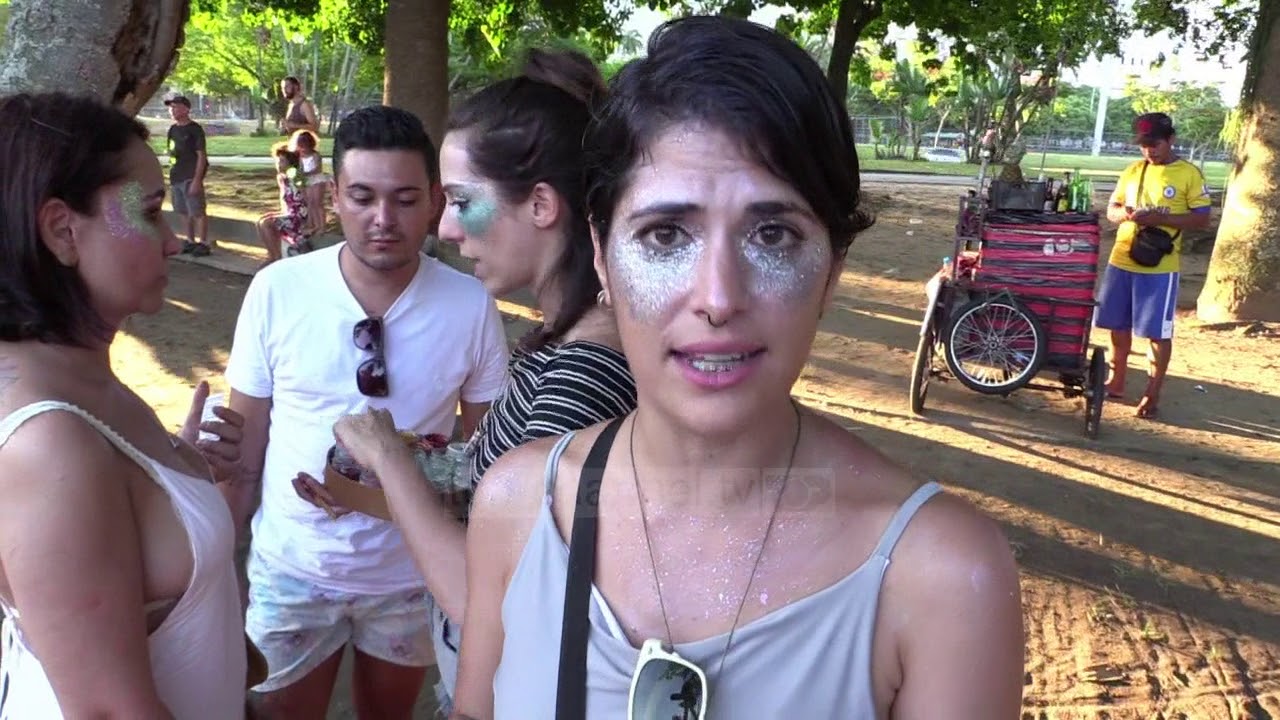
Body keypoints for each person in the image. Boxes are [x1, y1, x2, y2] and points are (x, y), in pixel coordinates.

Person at [452, 17, 1024, 719]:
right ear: (601, 254)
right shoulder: (517, 505)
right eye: (665, 235)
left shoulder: (942, 576)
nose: (719, 298)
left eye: (773, 235)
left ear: (832, 270)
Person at [296, 49, 638, 715]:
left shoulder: (586, 374)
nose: (445, 227)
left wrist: (391, 459)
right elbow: (497, 506)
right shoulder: (563, 339)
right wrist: (379, 478)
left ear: (541, 204)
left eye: (461, 202)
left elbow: (494, 597)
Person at [225, 104, 510, 719]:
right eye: (362, 197)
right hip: (292, 568)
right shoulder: (277, 290)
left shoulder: (470, 304)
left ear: (434, 202)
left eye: (405, 200)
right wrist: (221, 569)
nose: (383, 219)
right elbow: (245, 453)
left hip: (410, 576)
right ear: (333, 196)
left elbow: (487, 464)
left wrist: (371, 494)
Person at [0, 92, 250, 717]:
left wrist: (176, 477)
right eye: (150, 212)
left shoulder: (82, 379)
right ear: (62, 230)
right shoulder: (48, 444)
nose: (172, 242)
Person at [1095, 112, 1212, 419]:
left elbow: (1202, 218)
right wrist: (1126, 214)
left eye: (1155, 143)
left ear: (1170, 139)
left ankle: (1152, 392)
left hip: (1159, 267)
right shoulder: (1133, 170)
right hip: (1122, 258)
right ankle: (1116, 380)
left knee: (1157, 332)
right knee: (1117, 325)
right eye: (1144, 145)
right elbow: (1112, 209)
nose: (1149, 150)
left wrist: (1162, 219)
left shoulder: (1188, 174)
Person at [164, 94, 212, 257]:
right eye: (171, 108)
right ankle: (190, 240)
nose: (172, 110)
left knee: (197, 210)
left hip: (190, 175)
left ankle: (203, 242)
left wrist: (197, 179)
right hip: (176, 175)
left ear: (186, 109)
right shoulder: (173, 129)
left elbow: (201, 155)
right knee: (182, 210)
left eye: (176, 107)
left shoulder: (194, 129)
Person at [255, 142, 313, 265]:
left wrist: (310, 222)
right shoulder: (282, 177)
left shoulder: (295, 174)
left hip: (299, 215)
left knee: (267, 223)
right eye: (278, 161)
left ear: (290, 163)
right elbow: (285, 200)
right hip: (290, 212)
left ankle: (275, 256)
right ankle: (273, 253)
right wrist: (280, 213)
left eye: (282, 161)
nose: (278, 164)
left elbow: (307, 197)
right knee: (260, 221)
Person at [289, 128, 330, 237]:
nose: (303, 147)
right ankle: (314, 224)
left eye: (305, 145)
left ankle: (322, 226)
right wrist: (299, 175)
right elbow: (301, 167)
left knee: (318, 203)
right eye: (300, 145)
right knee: (310, 203)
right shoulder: (300, 156)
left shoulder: (316, 155)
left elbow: (317, 169)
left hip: (317, 179)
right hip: (307, 180)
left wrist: (306, 174)